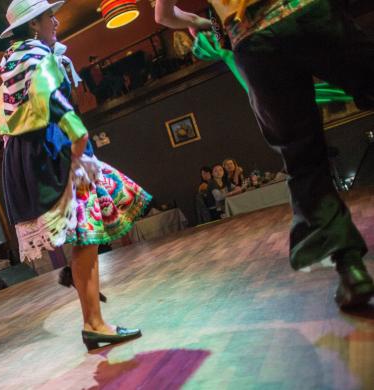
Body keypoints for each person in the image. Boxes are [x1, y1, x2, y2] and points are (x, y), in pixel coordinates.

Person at [155, 0, 374, 308]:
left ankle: (352, 273)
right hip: (303, 10)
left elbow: (163, 15)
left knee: (303, 157)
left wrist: (205, 23)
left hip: (253, 42)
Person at [0, 0, 151, 351]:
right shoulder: (32, 55)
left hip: (46, 148)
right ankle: (93, 321)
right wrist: (77, 130)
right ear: (34, 24)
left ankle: (86, 299)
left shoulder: (20, 56)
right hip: (54, 148)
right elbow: (50, 95)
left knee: (90, 229)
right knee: (87, 228)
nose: (56, 20)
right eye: (49, 16)